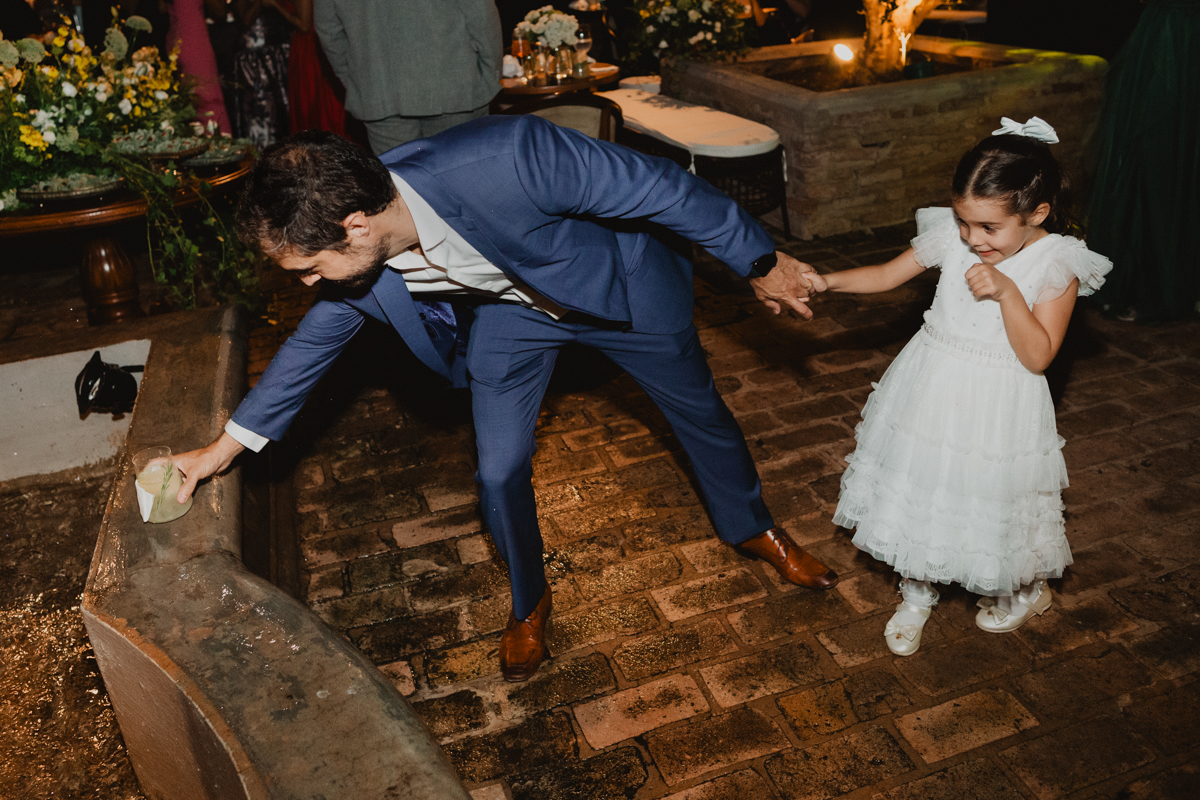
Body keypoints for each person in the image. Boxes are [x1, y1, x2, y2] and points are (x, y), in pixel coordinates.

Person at [170, 117, 840, 682]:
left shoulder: (512, 158)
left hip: (622, 285)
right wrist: (222, 449)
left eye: (309, 268)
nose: (308, 284)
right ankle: (529, 600)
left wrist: (760, 262)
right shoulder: (357, 261)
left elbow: (664, 187)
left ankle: (753, 527)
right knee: (496, 471)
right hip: (513, 315)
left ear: (357, 226)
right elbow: (311, 346)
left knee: (701, 415)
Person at [812, 118, 1112, 656]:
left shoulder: (1057, 262)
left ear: (1036, 213)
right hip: (932, 381)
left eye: (989, 228)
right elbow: (886, 275)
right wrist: (827, 281)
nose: (973, 239)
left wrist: (1009, 294)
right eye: (964, 222)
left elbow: (1039, 355)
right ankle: (916, 592)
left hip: (1000, 399)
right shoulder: (956, 238)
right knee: (922, 485)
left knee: (990, 497)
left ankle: (1025, 590)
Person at [313, 0, 502, 155]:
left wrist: (360, 81)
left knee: (403, 185)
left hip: (380, 93)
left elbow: (329, 29)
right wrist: (490, 74)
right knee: (461, 181)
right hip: (456, 89)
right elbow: (482, 15)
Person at [231, 0, 291, 147]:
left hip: (278, 56)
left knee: (282, 112)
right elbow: (246, 20)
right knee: (260, 112)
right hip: (253, 61)